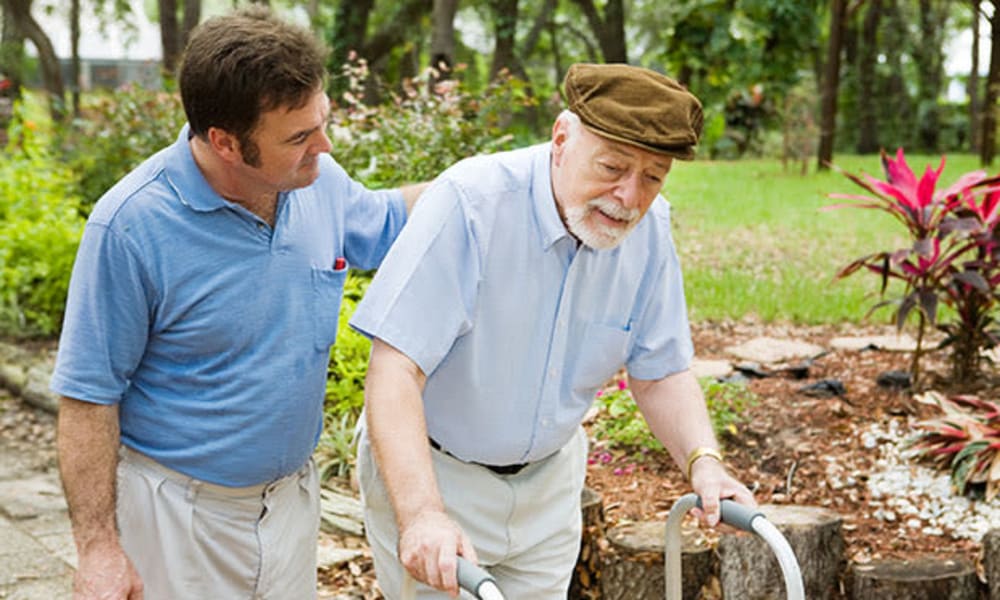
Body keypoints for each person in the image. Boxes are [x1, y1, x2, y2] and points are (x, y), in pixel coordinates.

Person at [50, 7, 426, 599]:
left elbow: (384, 221)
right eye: (300, 137)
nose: (323, 148)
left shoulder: (316, 180)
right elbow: (88, 398)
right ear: (225, 142)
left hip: (291, 507)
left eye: (321, 123)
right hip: (178, 519)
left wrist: (499, 184)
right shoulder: (130, 227)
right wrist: (98, 548)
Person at [349, 63, 756, 598]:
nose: (629, 197)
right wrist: (423, 514)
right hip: (438, 475)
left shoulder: (650, 231)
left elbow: (661, 372)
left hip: (549, 486)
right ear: (561, 138)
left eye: (653, 177)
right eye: (612, 166)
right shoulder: (471, 202)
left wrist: (705, 462)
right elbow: (394, 368)